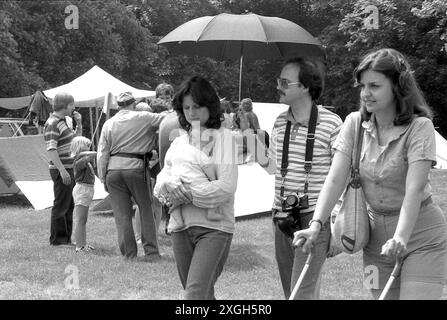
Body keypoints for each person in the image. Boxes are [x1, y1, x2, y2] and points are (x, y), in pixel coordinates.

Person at [293, 48, 447, 300]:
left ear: (398, 87)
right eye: (362, 86)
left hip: (421, 236)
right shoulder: (354, 123)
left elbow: (414, 190)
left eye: (374, 85)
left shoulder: (420, 127)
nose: (365, 93)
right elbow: (334, 180)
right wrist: (315, 225)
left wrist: (400, 237)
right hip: (375, 241)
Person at [255, 58, 343, 299]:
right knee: (291, 292)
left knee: (300, 293)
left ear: (305, 86)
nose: (278, 86)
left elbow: (342, 175)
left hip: (315, 217)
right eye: (278, 80)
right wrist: (248, 134)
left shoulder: (331, 123)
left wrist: (334, 222)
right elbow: (272, 167)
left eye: (284, 82)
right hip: (282, 215)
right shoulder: (280, 121)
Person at [154, 76, 238, 299]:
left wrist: (188, 195)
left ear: (210, 106)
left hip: (214, 227)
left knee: (194, 294)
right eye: (186, 107)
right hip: (179, 227)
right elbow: (161, 180)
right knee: (201, 294)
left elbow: (227, 186)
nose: (192, 113)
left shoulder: (224, 139)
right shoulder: (179, 143)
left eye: (197, 107)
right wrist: (167, 183)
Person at [97, 92, 166, 261]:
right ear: (133, 104)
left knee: (122, 215)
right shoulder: (143, 117)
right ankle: (151, 252)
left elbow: (102, 153)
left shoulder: (108, 123)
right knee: (146, 210)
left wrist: (102, 176)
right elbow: (166, 119)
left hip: (113, 172)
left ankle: (129, 254)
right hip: (136, 169)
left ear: (118, 106)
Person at [44, 92, 82, 246]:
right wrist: (62, 170)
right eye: (72, 104)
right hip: (61, 169)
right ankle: (58, 240)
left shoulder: (63, 121)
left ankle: (66, 238)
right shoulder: (52, 123)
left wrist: (79, 123)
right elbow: (51, 149)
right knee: (61, 203)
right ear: (65, 105)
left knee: (69, 203)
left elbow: (75, 141)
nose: (74, 107)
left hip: (68, 167)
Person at [71, 136, 97, 253]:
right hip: (82, 190)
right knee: (80, 219)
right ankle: (79, 246)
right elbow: (92, 154)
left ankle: (83, 244)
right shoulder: (79, 161)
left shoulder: (84, 161)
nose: (89, 148)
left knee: (83, 220)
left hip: (87, 190)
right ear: (81, 148)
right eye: (87, 146)